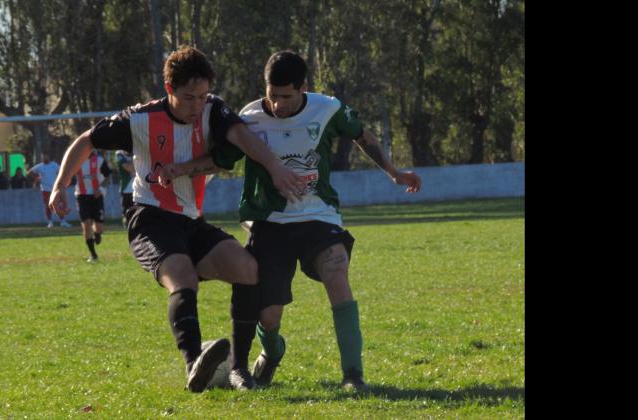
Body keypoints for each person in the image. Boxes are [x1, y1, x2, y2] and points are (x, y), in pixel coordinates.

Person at [48, 46, 305, 392]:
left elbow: (242, 137)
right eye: (188, 98)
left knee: (248, 270)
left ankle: (239, 369)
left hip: (191, 221)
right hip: (149, 219)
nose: (196, 106)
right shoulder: (139, 119)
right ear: (168, 89)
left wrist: (275, 167)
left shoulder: (213, 109)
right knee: (183, 277)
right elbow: (86, 141)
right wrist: (60, 186)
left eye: (202, 96)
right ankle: (194, 365)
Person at [164, 51, 422, 391]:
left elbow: (363, 136)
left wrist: (394, 173)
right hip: (269, 220)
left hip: (318, 214)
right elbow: (222, 159)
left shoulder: (327, 109)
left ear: (303, 88)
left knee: (336, 267)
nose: (278, 104)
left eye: (286, 97)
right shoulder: (250, 117)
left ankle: (353, 376)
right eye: (272, 95)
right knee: (269, 316)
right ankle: (272, 351)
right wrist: (181, 169)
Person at [74, 150, 111, 262]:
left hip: (96, 196)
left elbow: (108, 177)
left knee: (99, 227)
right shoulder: (75, 160)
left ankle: (97, 233)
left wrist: (100, 189)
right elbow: (66, 174)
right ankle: (93, 255)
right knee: (86, 225)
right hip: (81, 195)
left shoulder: (99, 161)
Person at [28, 153, 72, 228]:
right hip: (45, 190)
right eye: (43, 156)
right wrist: (36, 179)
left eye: (46, 156)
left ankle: (63, 221)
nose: (45, 157)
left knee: (59, 205)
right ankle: (50, 222)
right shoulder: (40, 166)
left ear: (49, 156)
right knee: (48, 206)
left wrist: (61, 181)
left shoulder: (54, 165)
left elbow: (62, 171)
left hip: (55, 189)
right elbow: (29, 172)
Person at [115, 149, 135, 226]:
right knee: (127, 216)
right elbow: (129, 168)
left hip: (138, 190)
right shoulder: (119, 154)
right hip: (126, 189)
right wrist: (136, 157)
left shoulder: (138, 150)